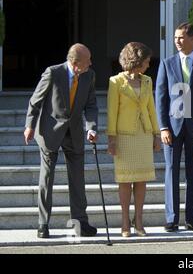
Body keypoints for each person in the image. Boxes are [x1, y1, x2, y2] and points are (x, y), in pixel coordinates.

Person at [24, 43, 98, 239]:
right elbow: (35, 100)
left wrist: (91, 127)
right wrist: (29, 125)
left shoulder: (89, 75)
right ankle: (43, 223)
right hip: (50, 130)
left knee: (77, 178)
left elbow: (91, 105)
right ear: (75, 63)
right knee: (46, 178)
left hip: (74, 132)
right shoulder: (53, 73)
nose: (91, 62)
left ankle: (80, 221)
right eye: (87, 60)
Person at [156, 22, 193, 232]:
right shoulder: (167, 63)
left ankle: (191, 219)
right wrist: (162, 127)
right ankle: (171, 219)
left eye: (181, 37)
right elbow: (160, 97)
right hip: (172, 127)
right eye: (175, 38)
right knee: (171, 171)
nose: (177, 42)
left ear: (192, 39)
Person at [106, 42, 161, 237]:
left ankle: (138, 220)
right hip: (124, 136)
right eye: (145, 61)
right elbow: (112, 112)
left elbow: (151, 109)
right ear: (136, 61)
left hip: (143, 135)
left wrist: (156, 134)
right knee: (124, 180)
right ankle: (124, 221)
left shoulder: (147, 80)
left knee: (141, 179)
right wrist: (111, 139)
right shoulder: (115, 82)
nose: (148, 65)